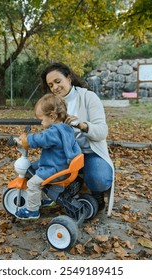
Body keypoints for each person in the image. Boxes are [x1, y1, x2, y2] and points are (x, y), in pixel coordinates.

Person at [40, 62, 115, 211]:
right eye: (50, 85)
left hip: (90, 152)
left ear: (69, 78)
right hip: (65, 155)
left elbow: (102, 131)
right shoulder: (52, 104)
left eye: (57, 81)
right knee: (39, 170)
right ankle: (72, 186)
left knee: (99, 179)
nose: (55, 87)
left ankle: (95, 192)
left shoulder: (88, 97)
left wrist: (83, 125)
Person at [14, 93, 82, 220]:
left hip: (55, 169)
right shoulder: (66, 128)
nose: (40, 123)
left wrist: (25, 140)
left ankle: (32, 210)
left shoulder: (53, 132)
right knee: (35, 166)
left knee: (32, 183)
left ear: (52, 116)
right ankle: (49, 197)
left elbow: (41, 139)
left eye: (41, 119)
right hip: (63, 166)